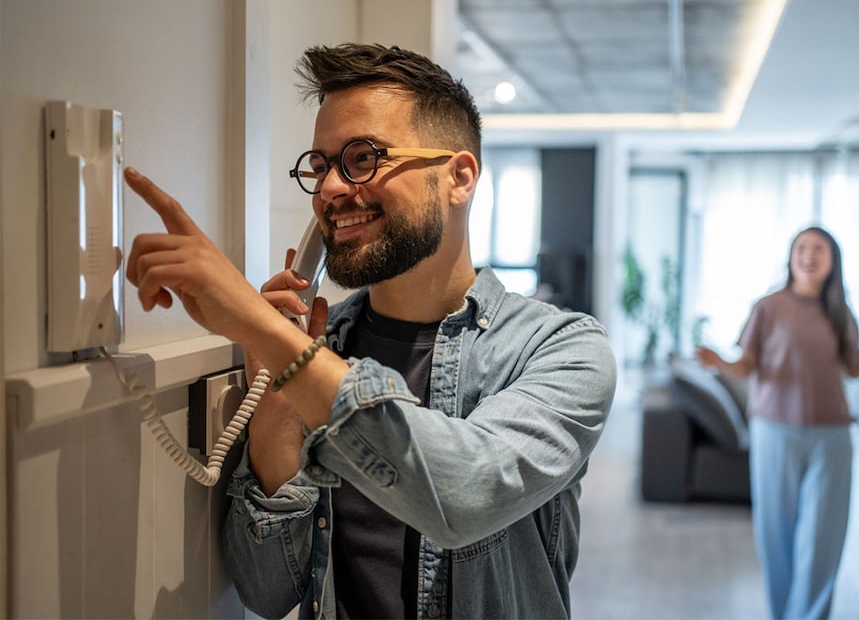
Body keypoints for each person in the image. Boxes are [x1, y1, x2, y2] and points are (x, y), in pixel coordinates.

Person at [124, 43, 617, 619]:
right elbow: (267, 592)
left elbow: (464, 497)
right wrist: (278, 407)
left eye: (363, 158)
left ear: (459, 178)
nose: (331, 188)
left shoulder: (562, 350)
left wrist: (263, 332)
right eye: (322, 164)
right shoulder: (315, 348)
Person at [696, 226, 859, 620]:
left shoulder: (841, 313)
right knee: (776, 535)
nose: (809, 255)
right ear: (790, 258)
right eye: (801, 248)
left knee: (823, 539)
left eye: (819, 249)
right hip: (774, 432)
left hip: (832, 437)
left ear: (833, 261)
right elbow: (746, 364)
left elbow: (856, 368)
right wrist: (719, 361)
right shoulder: (767, 307)